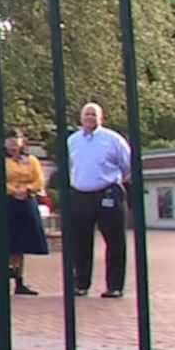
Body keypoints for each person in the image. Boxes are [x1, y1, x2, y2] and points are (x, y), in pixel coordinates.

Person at [66, 102, 132, 298]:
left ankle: (114, 286)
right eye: (86, 114)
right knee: (80, 242)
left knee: (115, 241)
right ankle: (81, 284)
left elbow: (127, 166)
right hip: (80, 195)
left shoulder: (113, 139)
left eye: (93, 115)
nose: (89, 118)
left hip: (107, 192)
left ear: (101, 117)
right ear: (81, 117)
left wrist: (113, 181)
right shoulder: (72, 140)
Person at [3, 128, 49, 296]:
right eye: (9, 139)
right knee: (9, 240)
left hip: (27, 200)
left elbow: (39, 180)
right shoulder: (1, 160)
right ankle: (6, 274)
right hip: (8, 201)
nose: (13, 142)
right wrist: (14, 191)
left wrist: (28, 189)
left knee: (22, 242)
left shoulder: (31, 160)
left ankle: (19, 281)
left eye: (16, 138)